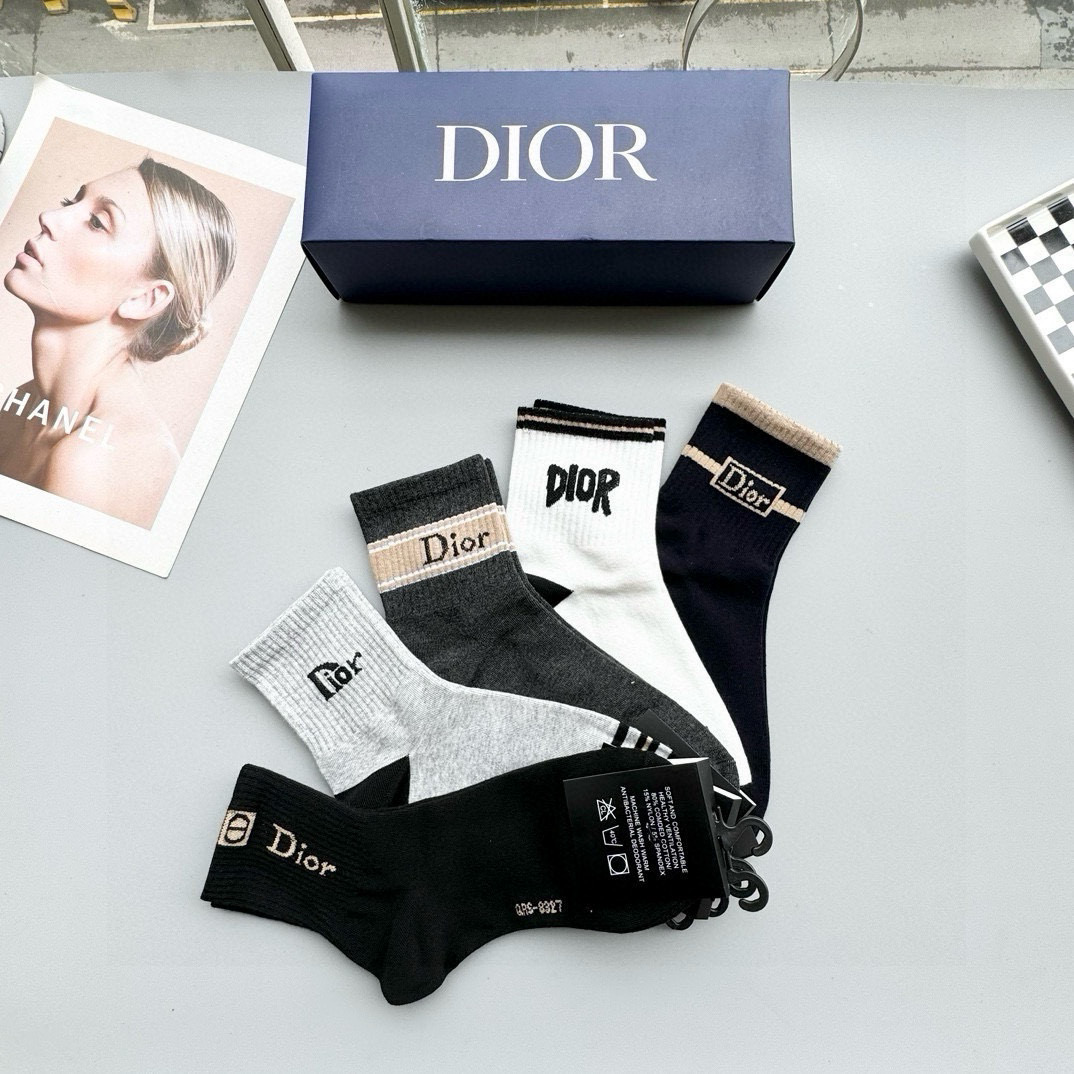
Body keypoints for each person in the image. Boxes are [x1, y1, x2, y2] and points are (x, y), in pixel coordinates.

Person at [0, 157, 236, 529]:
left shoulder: (89, 462)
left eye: (97, 222)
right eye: (70, 203)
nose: (49, 217)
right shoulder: (23, 405)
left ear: (144, 299)